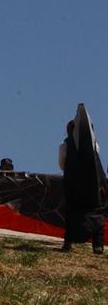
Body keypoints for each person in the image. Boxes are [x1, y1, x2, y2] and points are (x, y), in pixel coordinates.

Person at [59, 106, 106, 254]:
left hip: (74, 184)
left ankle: (68, 243)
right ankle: (97, 245)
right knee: (96, 212)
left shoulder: (65, 146)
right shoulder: (94, 146)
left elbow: (62, 164)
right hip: (93, 185)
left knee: (72, 211)